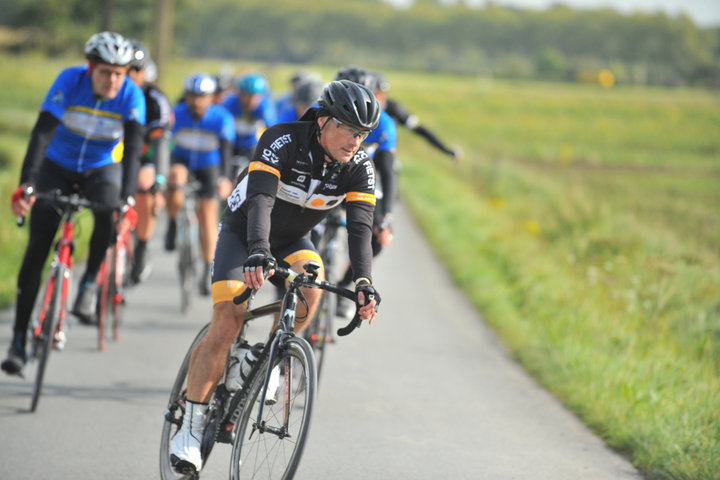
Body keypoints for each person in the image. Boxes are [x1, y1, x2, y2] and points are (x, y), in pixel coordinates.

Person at [169, 80, 382, 474]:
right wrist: (257, 251)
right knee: (226, 323)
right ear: (323, 121)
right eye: (349, 130)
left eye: (363, 134)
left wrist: (364, 283)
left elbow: (360, 229)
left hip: (293, 239)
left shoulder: (359, 168)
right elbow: (262, 199)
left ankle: (271, 357)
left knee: (312, 286)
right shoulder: (282, 140)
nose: (355, 141)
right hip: (244, 230)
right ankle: (191, 425)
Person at [2, 31, 145, 375]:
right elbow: (41, 133)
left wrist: (127, 198)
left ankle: (89, 282)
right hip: (56, 166)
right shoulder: (69, 81)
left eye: (119, 73)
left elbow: (134, 154)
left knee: (109, 212)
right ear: (90, 68)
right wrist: (28, 184)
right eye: (105, 72)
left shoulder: (131, 95)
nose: (113, 80)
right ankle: (19, 340)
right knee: (37, 247)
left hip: (101, 168)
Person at [333, 67, 397, 319]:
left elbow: (388, 171)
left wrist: (387, 217)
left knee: (379, 237)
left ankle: (344, 286)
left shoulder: (385, 124)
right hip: (327, 177)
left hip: (361, 181)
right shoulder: (321, 115)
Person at [164, 73, 235, 295]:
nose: (196, 102)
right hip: (182, 161)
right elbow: (165, 146)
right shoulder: (177, 115)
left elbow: (226, 153)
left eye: (202, 97)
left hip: (208, 166)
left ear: (211, 97)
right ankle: (173, 222)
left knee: (207, 213)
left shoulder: (221, 117)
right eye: (192, 96)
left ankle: (207, 268)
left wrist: (224, 179)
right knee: (175, 177)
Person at [126, 39, 174, 284]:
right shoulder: (110, 91)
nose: (130, 74)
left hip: (146, 154)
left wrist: (160, 180)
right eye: (126, 68)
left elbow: (161, 143)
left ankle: (142, 248)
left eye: (137, 69)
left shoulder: (155, 98)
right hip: (116, 154)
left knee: (145, 186)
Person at [374, 71, 461, 160]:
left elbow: (421, 131)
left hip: (383, 152)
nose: (378, 97)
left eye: (381, 93)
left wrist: (445, 150)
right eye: (375, 93)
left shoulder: (395, 109)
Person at [221, 72, 278, 178]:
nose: (250, 102)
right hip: (231, 143)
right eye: (246, 97)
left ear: (261, 96)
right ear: (240, 94)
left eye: (254, 97)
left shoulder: (264, 107)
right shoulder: (230, 104)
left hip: (251, 145)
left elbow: (273, 130)